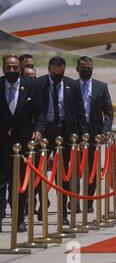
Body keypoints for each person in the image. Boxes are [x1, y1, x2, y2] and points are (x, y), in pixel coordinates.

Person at [36, 56, 88, 225]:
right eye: (56, 73)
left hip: (65, 131)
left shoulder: (72, 85)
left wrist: (82, 135)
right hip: (45, 132)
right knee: (40, 172)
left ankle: (64, 211)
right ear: (50, 68)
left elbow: (80, 111)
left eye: (62, 72)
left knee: (64, 174)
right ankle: (42, 204)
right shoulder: (40, 84)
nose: (59, 76)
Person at [0, 55, 45, 233]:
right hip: (1, 142)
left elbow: (41, 112)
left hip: (23, 141)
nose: (12, 70)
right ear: (3, 68)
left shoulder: (31, 86)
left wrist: (39, 130)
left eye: (15, 67)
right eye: (8, 67)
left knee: (19, 183)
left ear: (20, 68)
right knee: (1, 182)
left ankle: (19, 219)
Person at [76, 56, 114, 213]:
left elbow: (109, 112)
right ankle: (73, 201)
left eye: (89, 68)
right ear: (77, 69)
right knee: (73, 170)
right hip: (76, 135)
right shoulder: (71, 86)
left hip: (95, 135)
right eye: (83, 68)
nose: (87, 70)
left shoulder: (101, 87)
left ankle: (89, 201)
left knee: (92, 169)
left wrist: (104, 132)